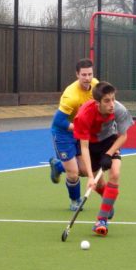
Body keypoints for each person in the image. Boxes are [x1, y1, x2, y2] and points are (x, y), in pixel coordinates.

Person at [73, 81, 134, 236]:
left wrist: (109, 153)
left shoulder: (119, 109)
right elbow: (84, 147)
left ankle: (102, 220)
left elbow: (123, 136)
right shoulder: (84, 115)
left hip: (110, 141)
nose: (112, 104)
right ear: (97, 102)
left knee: (115, 174)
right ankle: (108, 200)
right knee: (98, 183)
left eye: (113, 99)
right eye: (107, 101)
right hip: (91, 145)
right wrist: (90, 177)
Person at [49, 58, 99, 211]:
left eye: (89, 74)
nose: (87, 78)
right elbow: (58, 121)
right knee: (73, 172)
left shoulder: (96, 86)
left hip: (80, 130)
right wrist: (80, 128)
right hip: (64, 133)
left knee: (84, 171)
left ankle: (58, 165)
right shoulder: (71, 96)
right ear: (77, 74)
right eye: (83, 75)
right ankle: (74, 200)